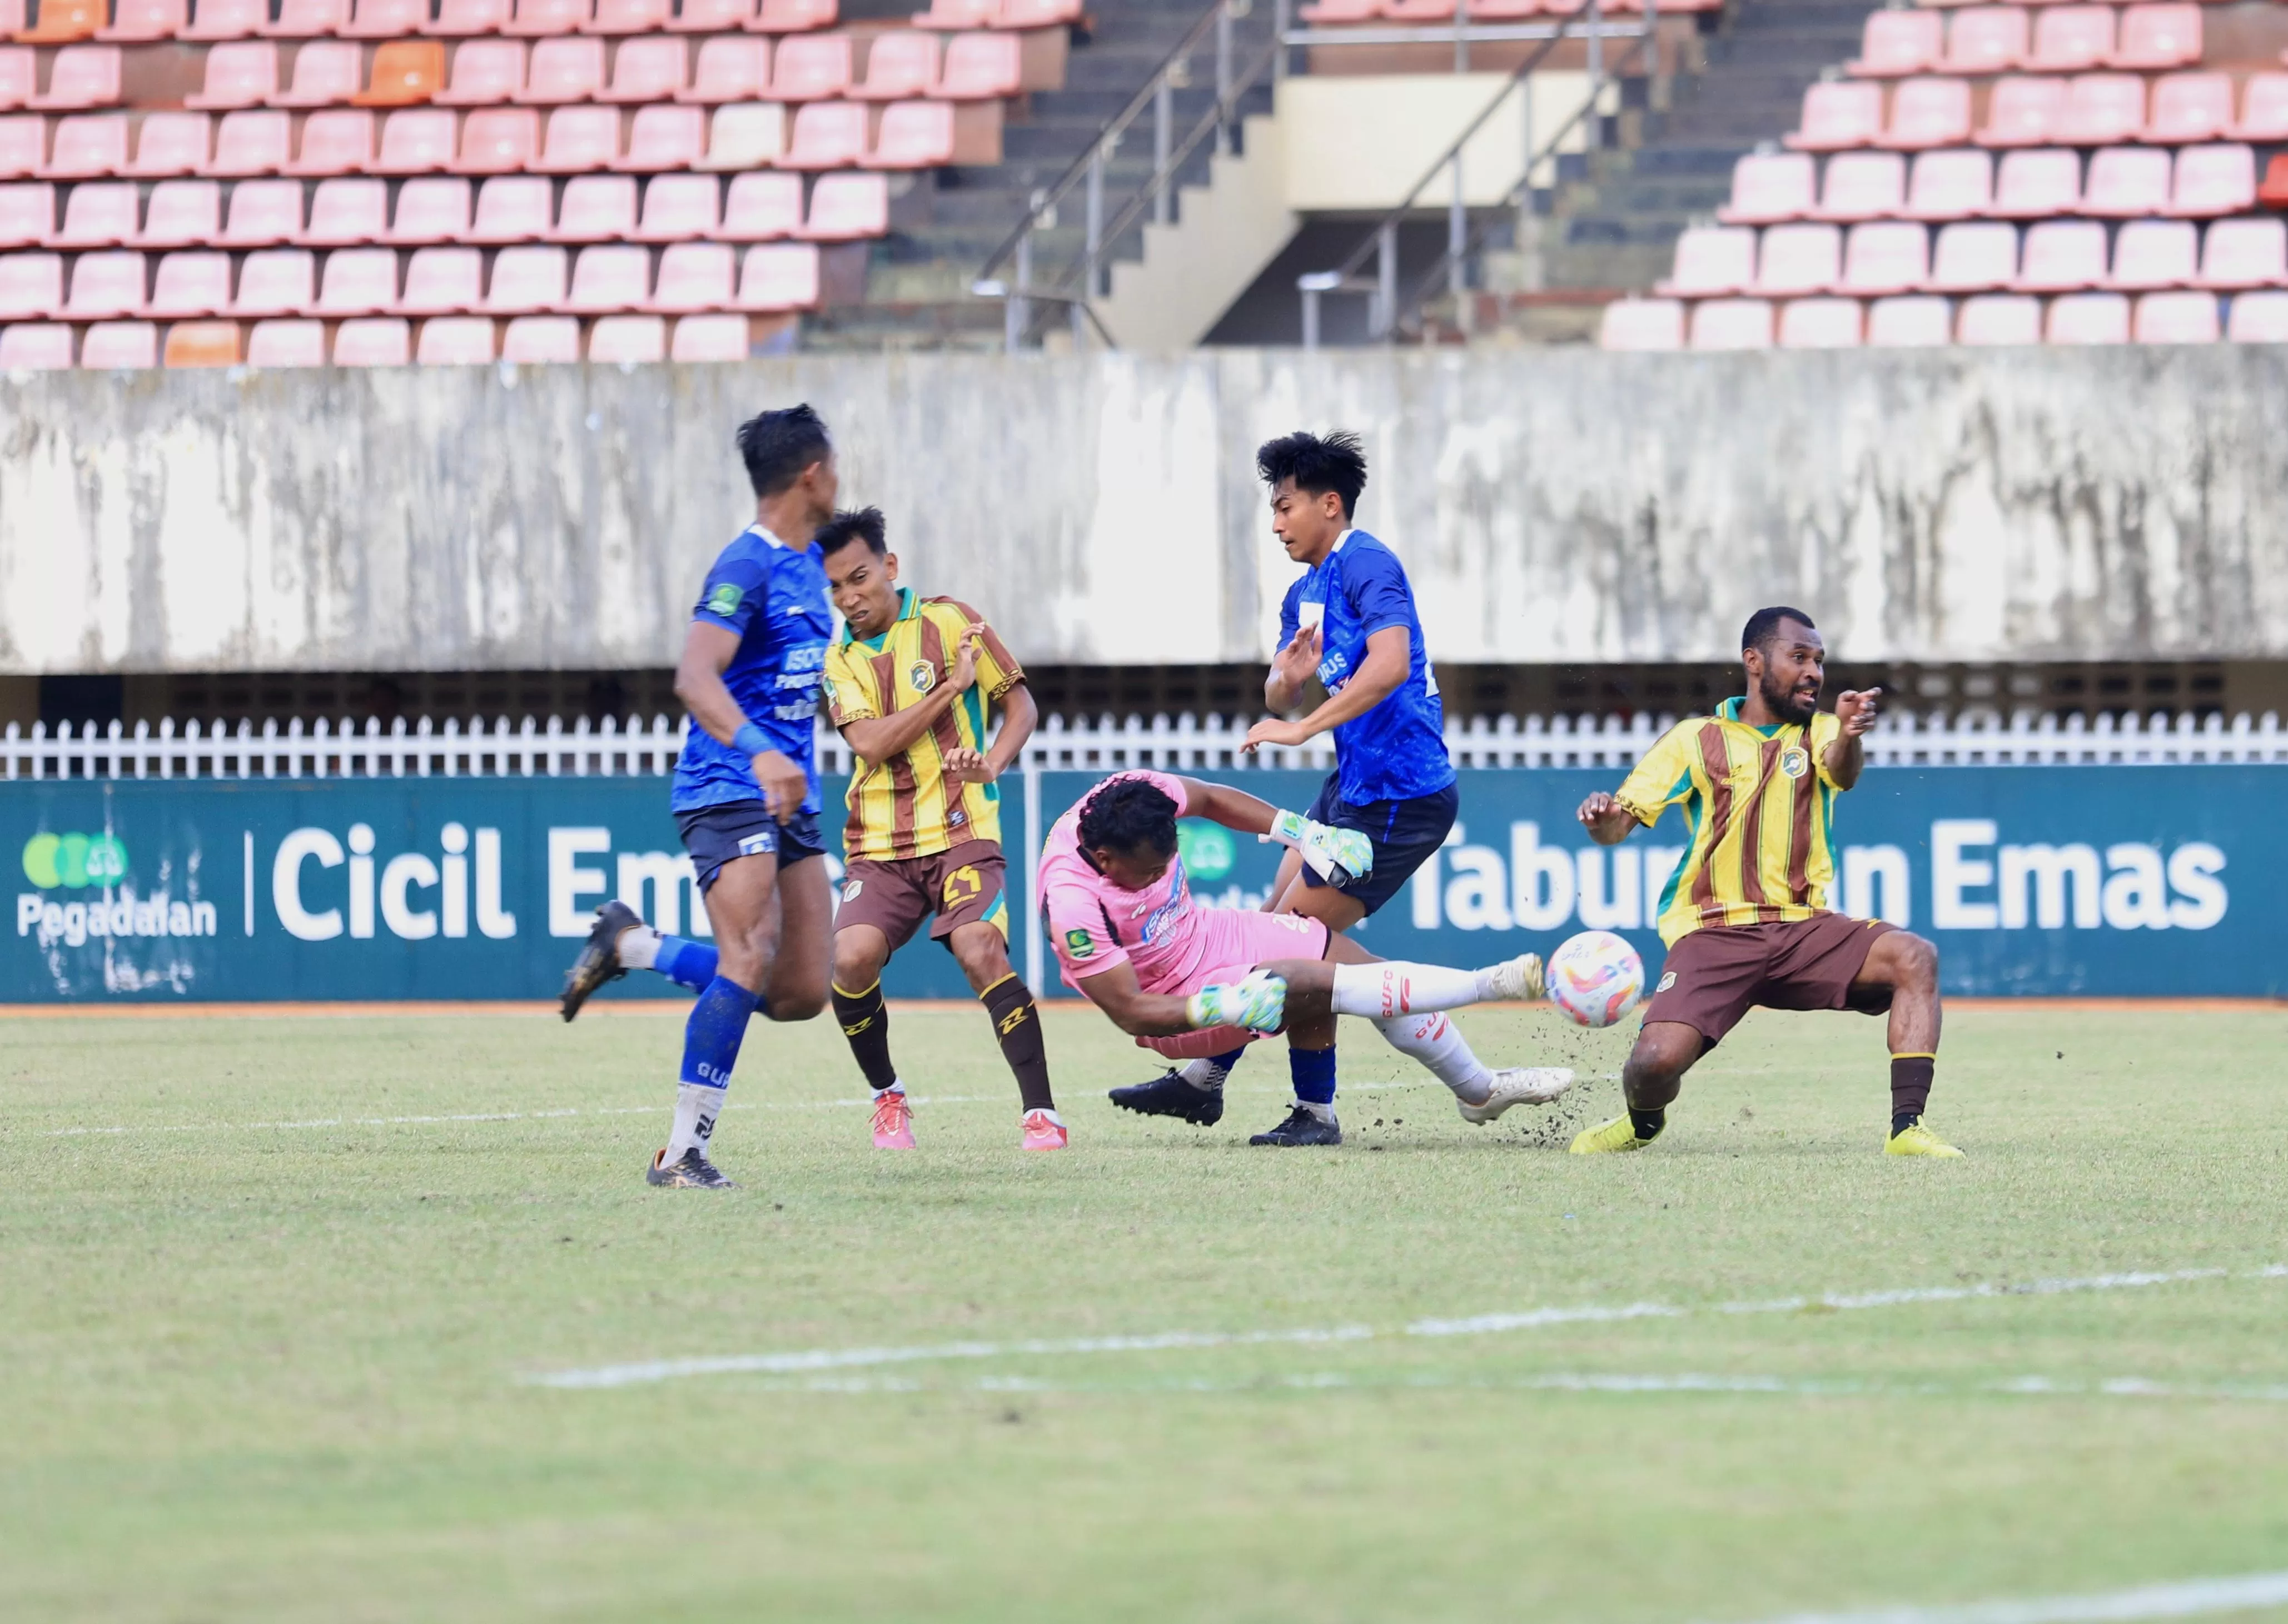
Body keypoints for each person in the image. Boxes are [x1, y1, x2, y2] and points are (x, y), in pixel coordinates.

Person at [1108, 430, 1468, 1140]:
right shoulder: (1307, 591)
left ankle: (1309, 1109)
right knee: (1273, 918)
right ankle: (1209, 1082)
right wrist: (1287, 685)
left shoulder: (1370, 564)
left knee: (1291, 941)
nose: (1275, 524)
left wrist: (1302, 728)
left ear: (1329, 505)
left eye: (1285, 507)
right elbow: (1279, 696)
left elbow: (1391, 664)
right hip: (1352, 789)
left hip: (1404, 797)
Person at [558, 404, 839, 1189]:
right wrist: (759, 751)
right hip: (727, 785)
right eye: (835, 466)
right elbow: (694, 676)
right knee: (749, 954)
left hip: (795, 798)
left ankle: (634, 947)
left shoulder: (812, 563)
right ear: (811, 473)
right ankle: (681, 1154)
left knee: (800, 990)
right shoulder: (743, 565)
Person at [1568, 606, 1960, 1158]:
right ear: (1755, 662)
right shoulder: (1694, 740)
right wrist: (1600, 818)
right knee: (1653, 1064)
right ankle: (1642, 1123)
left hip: (1803, 931)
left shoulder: (1822, 732)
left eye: (1819, 661)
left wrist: (1849, 732)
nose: (1814, 672)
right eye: (1799, 657)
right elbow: (1616, 829)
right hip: (1713, 935)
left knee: (1915, 956)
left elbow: (1841, 771)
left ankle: (1908, 1129)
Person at [1046, 772, 1571, 1148]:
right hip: (1179, 1004)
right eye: (1147, 873)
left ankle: (1478, 1091)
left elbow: (1208, 797)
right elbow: (1131, 1011)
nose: (1160, 877)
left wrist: (1303, 833)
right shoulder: (1072, 903)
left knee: (1347, 962)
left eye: (1167, 864)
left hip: (1214, 934)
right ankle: (1490, 984)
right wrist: (1223, 1005)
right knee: (1305, 981)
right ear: (1106, 859)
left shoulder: (1132, 797)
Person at [810, 507, 1063, 1151]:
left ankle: (1042, 1115)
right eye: (835, 586)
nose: (849, 597)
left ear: (890, 569)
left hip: (962, 829)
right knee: (851, 958)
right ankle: (887, 1098)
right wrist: (950, 690)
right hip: (879, 845)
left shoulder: (952, 621)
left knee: (981, 948)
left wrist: (991, 765)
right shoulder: (839, 660)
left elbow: (1020, 705)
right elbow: (870, 745)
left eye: (859, 578)